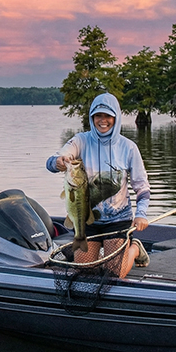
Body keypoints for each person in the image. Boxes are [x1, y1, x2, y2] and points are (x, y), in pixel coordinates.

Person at [46, 92, 150, 278]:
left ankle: (134, 248)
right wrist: (59, 161)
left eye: (108, 116)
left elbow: (142, 187)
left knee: (114, 272)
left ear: (116, 117)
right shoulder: (80, 140)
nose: (103, 120)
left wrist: (141, 214)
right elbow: (52, 161)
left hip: (117, 221)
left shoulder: (129, 147)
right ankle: (100, 251)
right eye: (98, 115)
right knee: (85, 270)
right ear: (92, 117)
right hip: (87, 220)